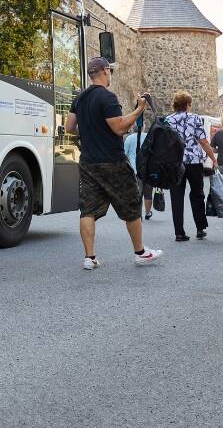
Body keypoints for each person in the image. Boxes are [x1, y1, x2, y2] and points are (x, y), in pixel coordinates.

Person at [64, 57, 162, 269]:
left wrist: (92, 131)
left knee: (88, 210)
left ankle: (89, 258)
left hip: (89, 163)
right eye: (111, 72)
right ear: (105, 71)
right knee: (131, 205)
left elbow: (69, 127)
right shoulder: (108, 97)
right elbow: (119, 127)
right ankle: (140, 252)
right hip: (113, 161)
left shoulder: (80, 98)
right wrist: (138, 109)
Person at [165, 91, 219, 241]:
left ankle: (179, 233)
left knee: (176, 197)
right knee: (197, 194)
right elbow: (203, 141)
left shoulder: (167, 120)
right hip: (194, 162)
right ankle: (200, 228)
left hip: (175, 163)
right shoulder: (194, 118)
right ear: (188, 104)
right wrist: (213, 159)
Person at [123, 122, 154, 220]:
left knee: (137, 193)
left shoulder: (129, 138)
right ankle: (148, 213)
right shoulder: (149, 137)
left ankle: (138, 213)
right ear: (144, 127)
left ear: (134, 128)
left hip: (134, 170)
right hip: (148, 170)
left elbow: (124, 155)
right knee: (148, 193)